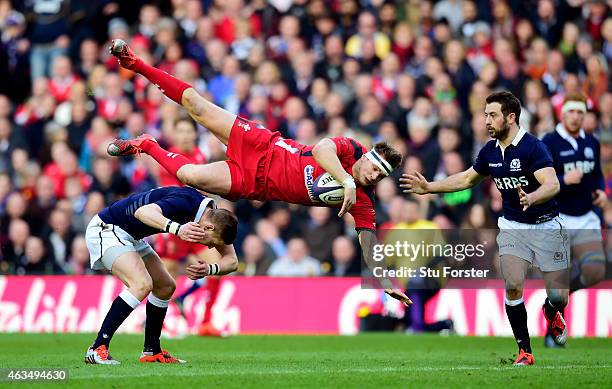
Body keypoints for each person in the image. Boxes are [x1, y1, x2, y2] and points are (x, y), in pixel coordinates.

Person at [106, 39, 412, 307]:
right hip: (263, 145)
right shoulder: (350, 148)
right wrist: (345, 180)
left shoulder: (363, 201)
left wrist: (383, 282)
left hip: (255, 183)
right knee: (195, 105)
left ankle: (147, 144)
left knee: (189, 176)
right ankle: (135, 63)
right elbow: (321, 150)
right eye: (374, 168)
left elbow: (368, 243)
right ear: (368, 156)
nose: (373, 176)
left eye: (380, 176)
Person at [401, 91, 569, 366]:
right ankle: (525, 352)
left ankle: (551, 312)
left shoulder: (533, 148)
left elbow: (552, 184)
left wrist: (533, 197)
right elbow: (467, 179)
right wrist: (429, 187)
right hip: (514, 226)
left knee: (558, 297)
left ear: (510, 117)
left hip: (546, 226)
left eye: (492, 115)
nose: (486, 121)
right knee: (513, 286)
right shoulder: (489, 151)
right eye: (485, 115)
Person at [83, 186, 238, 364]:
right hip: (108, 229)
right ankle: (97, 348)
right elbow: (143, 212)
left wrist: (210, 269)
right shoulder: (186, 202)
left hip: (132, 236)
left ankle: (151, 351)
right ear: (209, 228)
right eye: (212, 242)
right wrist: (178, 229)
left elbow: (232, 261)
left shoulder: (214, 217)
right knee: (141, 283)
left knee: (165, 286)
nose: (210, 247)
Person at [541, 92, 607, 347]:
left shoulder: (591, 142)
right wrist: (562, 179)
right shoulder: (549, 141)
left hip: (585, 217)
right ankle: (553, 329)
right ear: (562, 112)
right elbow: (538, 177)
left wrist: (601, 190)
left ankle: (551, 303)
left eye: (581, 112)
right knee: (561, 286)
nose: (576, 116)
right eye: (572, 111)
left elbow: (597, 174)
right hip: (558, 218)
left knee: (594, 272)